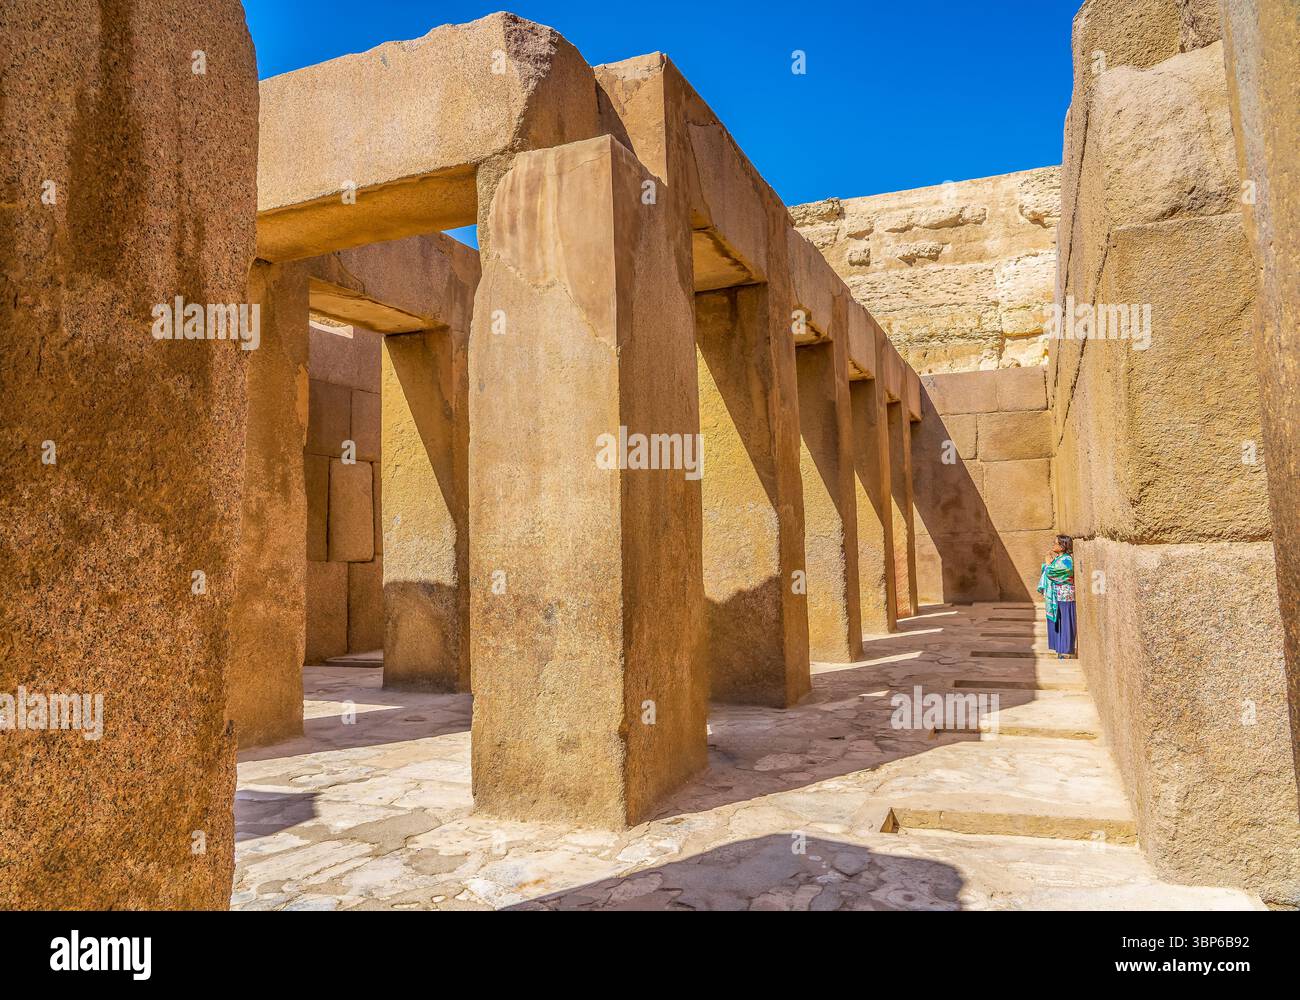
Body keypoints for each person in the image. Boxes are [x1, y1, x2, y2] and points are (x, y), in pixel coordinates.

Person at [1037, 535, 1076, 658]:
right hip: (1056, 596)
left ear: (1062, 546)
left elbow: (1052, 572)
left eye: (1056, 543)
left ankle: (1066, 651)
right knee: (1058, 623)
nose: (1053, 545)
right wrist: (1049, 564)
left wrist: (1048, 564)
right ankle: (1060, 650)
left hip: (1065, 596)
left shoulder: (1067, 560)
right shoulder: (1059, 559)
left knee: (1065, 623)